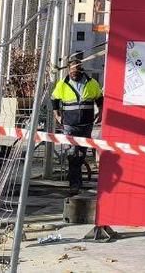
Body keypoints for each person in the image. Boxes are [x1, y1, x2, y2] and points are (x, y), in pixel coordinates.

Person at [51, 53, 102, 195]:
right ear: (68, 70)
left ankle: (74, 176)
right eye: (72, 70)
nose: (74, 73)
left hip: (86, 124)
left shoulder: (91, 83)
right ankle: (74, 184)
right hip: (69, 125)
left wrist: (101, 112)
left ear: (81, 69)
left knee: (81, 154)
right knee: (73, 154)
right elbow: (54, 99)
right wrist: (57, 115)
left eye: (77, 70)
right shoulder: (63, 84)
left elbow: (99, 98)